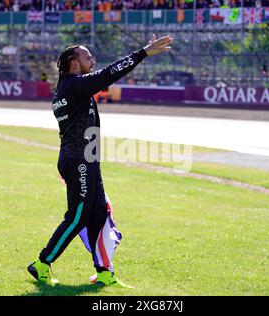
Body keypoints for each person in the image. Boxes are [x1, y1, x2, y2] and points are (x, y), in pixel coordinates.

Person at [27, 34, 173, 286]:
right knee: (77, 217)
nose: (92, 59)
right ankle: (42, 263)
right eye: (87, 56)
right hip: (79, 160)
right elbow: (108, 75)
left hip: (86, 159)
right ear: (74, 62)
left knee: (98, 214)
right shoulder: (74, 85)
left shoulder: (68, 88)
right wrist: (142, 53)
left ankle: (104, 272)